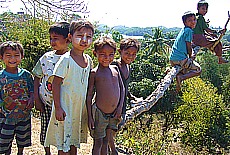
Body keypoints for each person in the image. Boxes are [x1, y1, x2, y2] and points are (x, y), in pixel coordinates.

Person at [44, 19, 94, 155]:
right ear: (70, 38)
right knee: (63, 144)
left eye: (88, 37)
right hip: (65, 108)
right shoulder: (66, 59)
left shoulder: (88, 60)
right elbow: (56, 83)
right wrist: (58, 108)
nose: (84, 40)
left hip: (78, 109)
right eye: (80, 36)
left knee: (73, 141)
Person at [32, 21, 70, 155]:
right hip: (47, 103)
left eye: (56, 38)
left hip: (65, 106)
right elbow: (36, 77)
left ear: (68, 39)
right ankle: (47, 152)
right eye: (51, 38)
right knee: (45, 130)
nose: (52, 41)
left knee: (63, 132)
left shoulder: (71, 59)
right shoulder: (46, 58)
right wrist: (37, 99)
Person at [86, 36, 125, 155]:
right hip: (99, 114)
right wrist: (90, 117)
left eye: (111, 55)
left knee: (106, 141)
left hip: (114, 114)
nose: (107, 58)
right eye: (102, 54)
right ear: (95, 53)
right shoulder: (94, 73)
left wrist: (119, 108)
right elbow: (89, 95)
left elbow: (122, 89)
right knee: (98, 142)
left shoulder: (115, 69)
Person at [108, 38, 142, 155]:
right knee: (110, 129)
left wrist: (131, 96)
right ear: (120, 51)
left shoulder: (128, 67)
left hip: (122, 105)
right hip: (113, 104)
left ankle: (109, 148)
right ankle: (112, 151)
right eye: (127, 53)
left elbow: (124, 86)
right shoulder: (114, 65)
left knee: (115, 128)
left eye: (133, 54)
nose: (130, 56)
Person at [0, 41, 34, 155]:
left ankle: (20, 152)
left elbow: (32, 89)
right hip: (5, 116)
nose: (12, 59)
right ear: (1, 57)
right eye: (8, 56)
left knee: (22, 138)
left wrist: (32, 99)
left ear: (22, 56)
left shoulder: (26, 75)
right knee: (5, 139)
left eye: (16, 55)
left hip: (23, 114)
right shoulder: (1, 76)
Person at [169, 11, 202, 93]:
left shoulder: (183, 30)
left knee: (183, 71)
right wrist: (191, 56)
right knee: (198, 70)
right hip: (181, 60)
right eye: (190, 20)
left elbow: (187, 43)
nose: (193, 22)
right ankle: (182, 78)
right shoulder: (189, 31)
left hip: (173, 59)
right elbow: (188, 45)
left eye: (194, 20)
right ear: (185, 22)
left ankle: (179, 77)